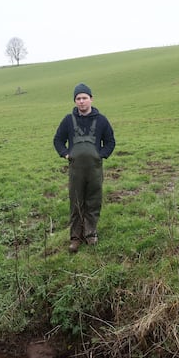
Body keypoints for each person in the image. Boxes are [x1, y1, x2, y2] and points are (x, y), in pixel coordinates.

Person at [53, 82, 115, 253]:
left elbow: (110, 141)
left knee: (93, 200)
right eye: (78, 98)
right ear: (75, 101)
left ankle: (90, 233)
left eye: (84, 98)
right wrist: (65, 154)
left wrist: (101, 154)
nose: (81, 101)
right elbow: (58, 140)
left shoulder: (101, 120)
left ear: (91, 99)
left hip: (95, 168)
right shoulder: (68, 120)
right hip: (76, 169)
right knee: (76, 201)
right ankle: (75, 237)